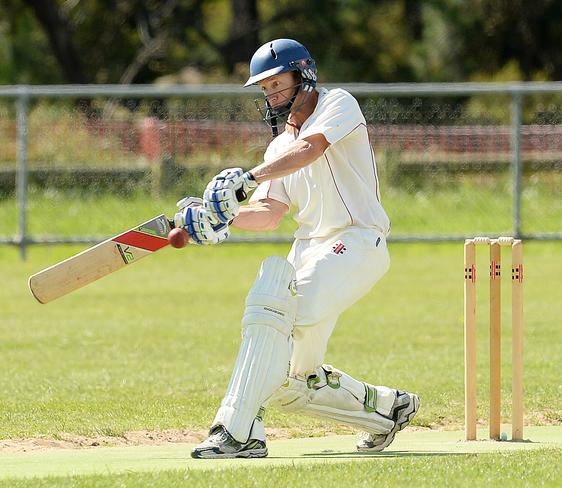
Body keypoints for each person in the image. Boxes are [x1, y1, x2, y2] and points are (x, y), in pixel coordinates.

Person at [176, 38, 420, 459]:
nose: (270, 94)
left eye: (276, 83)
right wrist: (221, 219)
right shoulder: (276, 147)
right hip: (308, 248)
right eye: (264, 88)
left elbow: (310, 150)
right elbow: (269, 211)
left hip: (357, 240)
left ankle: (237, 431)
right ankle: (387, 409)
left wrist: (246, 178)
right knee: (292, 379)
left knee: (272, 313)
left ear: (303, 75)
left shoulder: (337, 104)